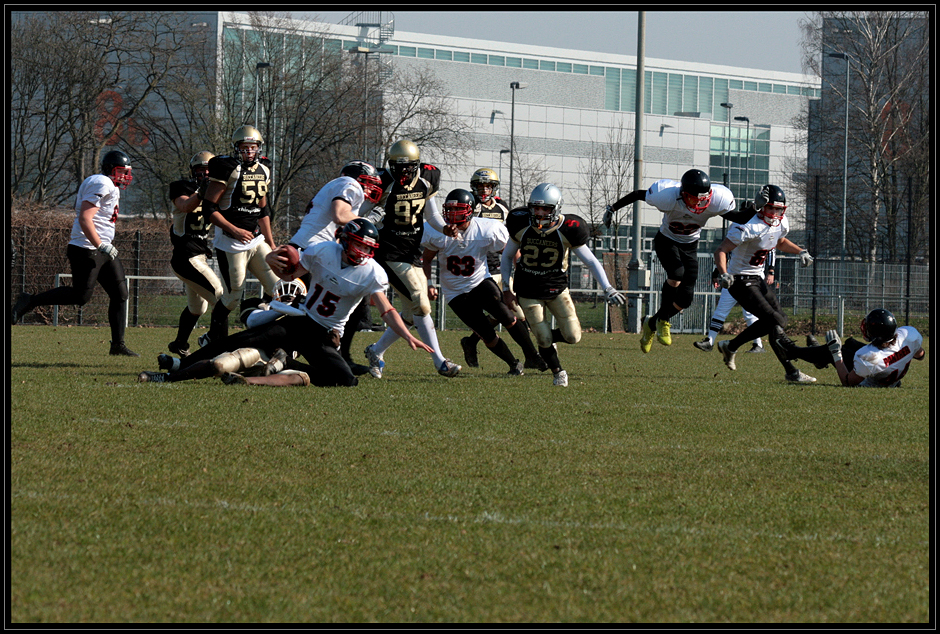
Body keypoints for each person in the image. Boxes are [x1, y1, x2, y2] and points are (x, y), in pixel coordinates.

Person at [603, 168, 754, 353]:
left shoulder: (715, 200)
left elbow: (738, 217)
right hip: (666, 241)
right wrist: (612, 208)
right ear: (683, 194)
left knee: (686, 299)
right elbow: (637, 194)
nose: (700, 202)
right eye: (694, 198)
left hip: (690, 246)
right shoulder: (666, 195)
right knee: (677, 274)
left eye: (703, 198)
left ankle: (652, 322)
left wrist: (756, 207)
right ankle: (664, 320)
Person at [11, 150, 139, 356]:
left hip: (101, 247)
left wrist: (103, 245)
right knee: (81, 296)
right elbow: (85, 218)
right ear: (110, 169)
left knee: (120, 293)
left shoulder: (106, 184)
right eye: (121, 171)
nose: (125, 176)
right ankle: (30, 300)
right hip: (87, 248)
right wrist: (100, 245)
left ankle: (118, 345)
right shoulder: (102, 183)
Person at [501, 183, 626, 387]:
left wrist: (608, 287)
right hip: (528, 289)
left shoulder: (569, 229)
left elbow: (592, 261)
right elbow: (507, 257)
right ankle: (558, 372)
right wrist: (506, 289)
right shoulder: (521, 223)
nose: (540, 213)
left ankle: (550, 341)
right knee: (541, 336)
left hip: (556, 288)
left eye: (546, 209)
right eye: (536, 208)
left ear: (556, 208)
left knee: (573, 335)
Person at [362, 139, 462, 379]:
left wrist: (445, 228)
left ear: (417, 165)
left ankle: (376, 351)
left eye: (407, 167)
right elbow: (361, 214)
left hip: (411, 250)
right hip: (387, 251)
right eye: (397, 167)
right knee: (420, 300)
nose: (403, 172)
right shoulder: (383, 181)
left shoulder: (427, 179)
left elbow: (433, 215)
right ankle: (440, 361)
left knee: (411, 311)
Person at [421, 189, 543, 375]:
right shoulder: (438, 230)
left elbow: (511, 252)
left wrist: (518, 276)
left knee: (508, 316)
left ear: (470, 210)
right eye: (450, 209)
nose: (453, 214)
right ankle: (513, 364)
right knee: (486, 334)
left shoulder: (486, 228)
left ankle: (532, 355)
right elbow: (427, 259)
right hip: (455, 292)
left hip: (480, 282)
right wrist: (429, 283)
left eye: (458, 209)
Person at [287, 160, 384, 376]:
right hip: (310, 252)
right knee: (295, 310)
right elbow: (340, 215)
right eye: (367, 183)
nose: (369, 189)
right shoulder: (349, 184)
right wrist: (367, 222)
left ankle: (335, 357)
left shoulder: (336, 187)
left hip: (307, 249)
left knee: (297, 309)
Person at [712, 184, 817, 383]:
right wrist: (723, 273)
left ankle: (732, 346)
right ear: (761, 206)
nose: (775, 213)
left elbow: (779, 241)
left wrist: (800, 251)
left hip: (756, 278)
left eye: (779, 209)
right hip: (739, 279)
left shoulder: (780, 223)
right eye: (771, 208)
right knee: (775, 320)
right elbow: (721, 250)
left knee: (780, 320)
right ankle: (791, 372)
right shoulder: (747, 225)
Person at [138, 279, 311, 386]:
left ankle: (249, 380)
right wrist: (283, 309)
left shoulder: (309, 317)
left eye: (294, 294)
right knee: (219, 364)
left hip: (282, 364)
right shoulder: (263, 305)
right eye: (285, 292)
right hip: (256, 352)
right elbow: (252, 321)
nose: (289, 296)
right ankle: (168, 376)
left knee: (302, 378)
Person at [199, 125, 280, 346]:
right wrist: (234, 230)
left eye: (253, 147)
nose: (249, 152)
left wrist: (271, 244)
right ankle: (213, 338)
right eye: (245, 148)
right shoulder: (227, 169)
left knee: (280, 291)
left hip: (256, 240)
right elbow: (209, 208)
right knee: (232, 297)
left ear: (259, 148)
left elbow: (263, 211)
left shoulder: (264, 169)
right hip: (231, 243)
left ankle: (268, 335)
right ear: (237, 149)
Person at [459, 168, 545, 372]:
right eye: (480, 186)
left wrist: (517, 261)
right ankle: (530, 356)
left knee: (511, 311)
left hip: (499, 264)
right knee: (512, 311)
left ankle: (472, 341)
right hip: (480, 267)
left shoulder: (502, 207)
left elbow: (511, 237)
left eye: (488, 185)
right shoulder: (471, 206)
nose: (484, 189)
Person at [165, 150, 225, 356]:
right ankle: (217, 345)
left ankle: (179, 344)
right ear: (193, 172)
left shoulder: (217, 191)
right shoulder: (182, 187)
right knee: (221, 298)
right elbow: (185, 205)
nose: (205, 174)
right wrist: (201, 193)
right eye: (201, 170)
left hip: (198, 256)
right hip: (186, 257)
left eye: (209, 170)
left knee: (198, 309)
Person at [784, 309, 925, 388]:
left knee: (835, 351)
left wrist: (835, 352)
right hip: (892, 375)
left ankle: (792, 350)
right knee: (850, 343)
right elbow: (920, 354)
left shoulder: (869, 356)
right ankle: (818, 357)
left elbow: (847, 381)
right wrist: (902, 355)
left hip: (874, 380)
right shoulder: (909, 335)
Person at [694, 250, 776, 353]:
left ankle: (758, 344)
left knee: (750, 314)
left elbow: (771, 249)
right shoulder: (736, 235)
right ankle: (709, 341)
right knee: (721, 310)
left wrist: (771, 271)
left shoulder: (758, 235)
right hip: (732, 279)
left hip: (753, 280)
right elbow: (725, 252)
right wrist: (716, 272)